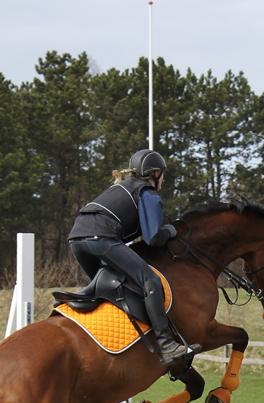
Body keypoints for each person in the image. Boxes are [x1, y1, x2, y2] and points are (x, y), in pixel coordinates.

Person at [68, 149, 193, 366]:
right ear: (154, 174)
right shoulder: (147, 193)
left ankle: (112, 342)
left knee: (112, 285)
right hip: (101, 238)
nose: (163, 179)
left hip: (77, 239)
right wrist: (172, 231)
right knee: (150, 281)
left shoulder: (119, 187)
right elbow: (153, 237)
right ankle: (167, 345)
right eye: (162, 174)